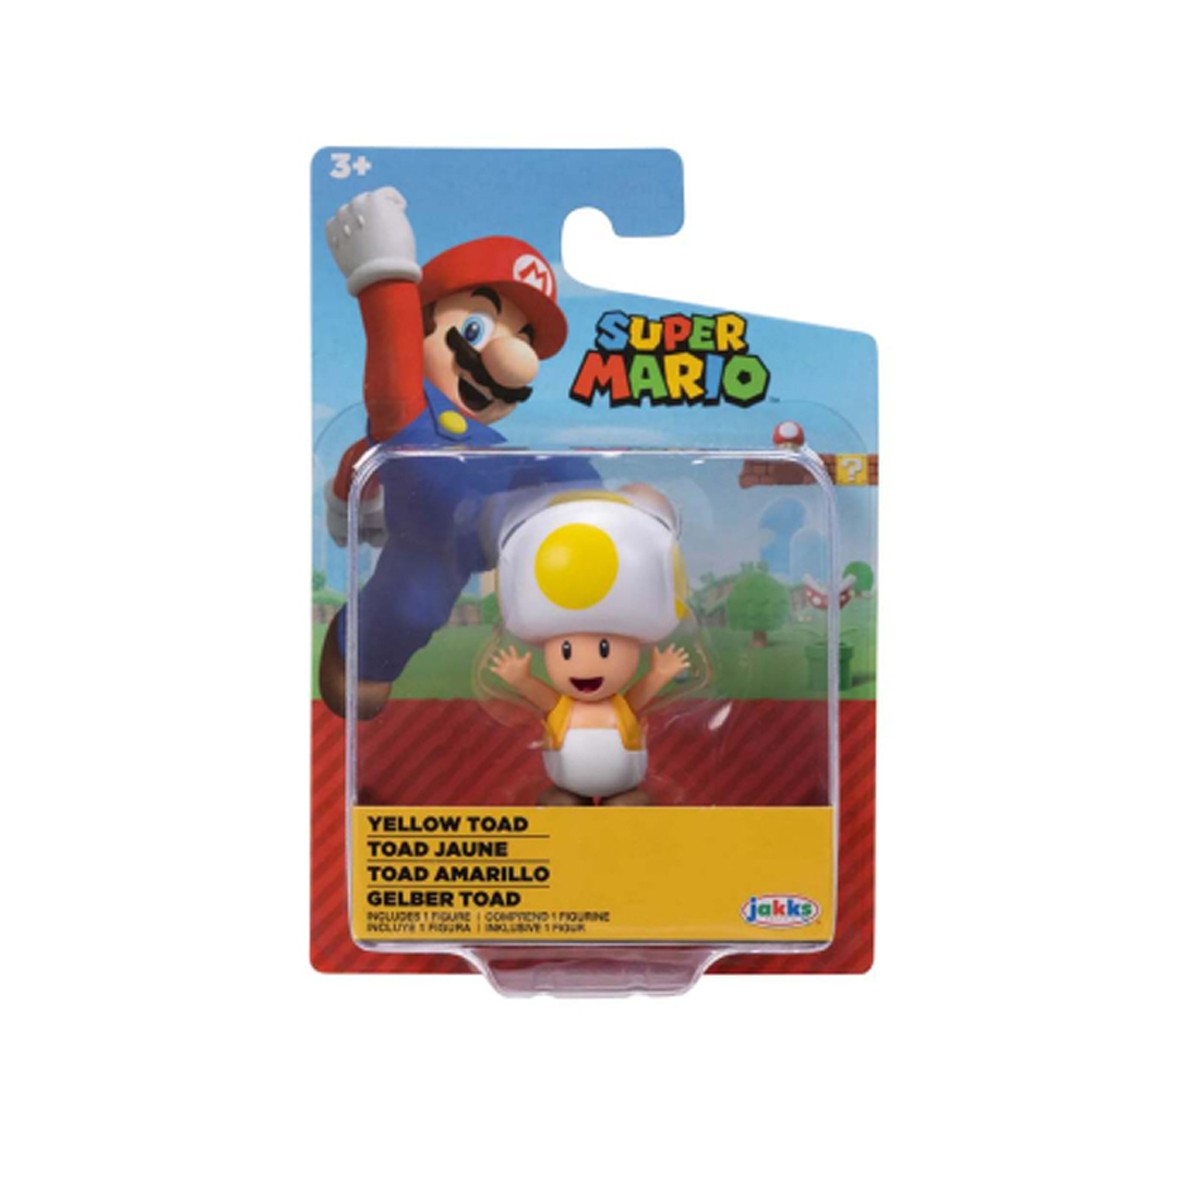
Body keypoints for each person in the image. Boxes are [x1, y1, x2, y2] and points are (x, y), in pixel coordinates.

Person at [320, 186, 595, 718]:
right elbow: (391, 367)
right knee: (413, 606)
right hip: (429, 544)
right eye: (475, 327)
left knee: (570, 470)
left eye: (524, 340)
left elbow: (359, 457)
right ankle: (359, 652)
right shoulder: (412, 414)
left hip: (482, 526)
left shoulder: (490, 443)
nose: (515, 362)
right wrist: (384, 271)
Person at [489, 492, 690, 806]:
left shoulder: (622, 707)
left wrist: (660, 673)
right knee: (560, 806)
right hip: (568, 787)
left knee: (629, 807)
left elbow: (640, 695)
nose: (585, 666)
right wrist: (519, 678)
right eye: (567, 651)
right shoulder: (562, 707)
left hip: (623, 788)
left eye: (604, 648)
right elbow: (538, 695)